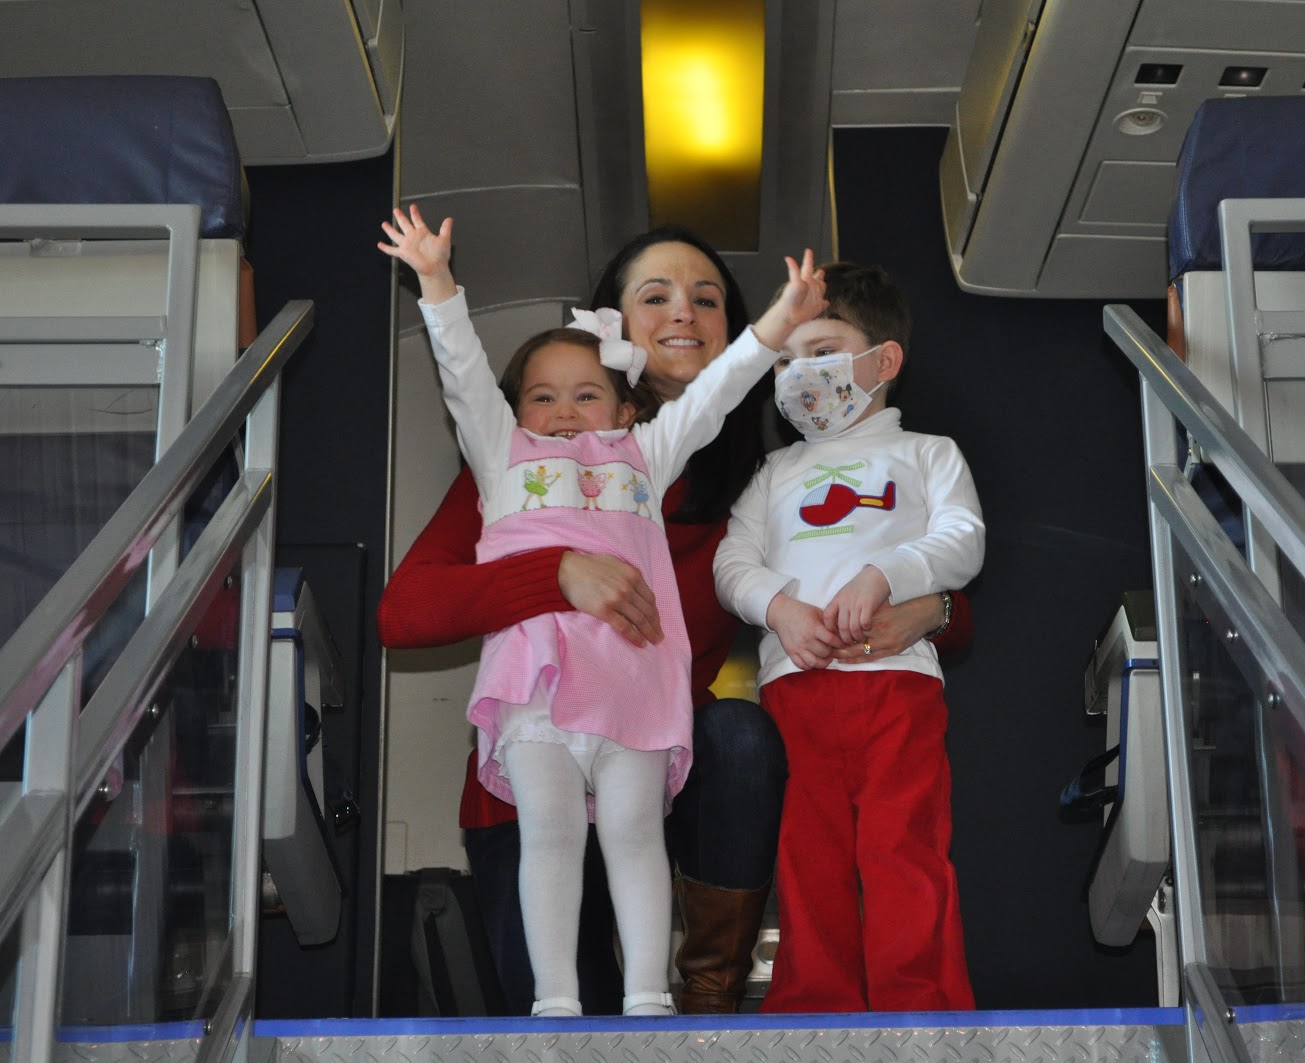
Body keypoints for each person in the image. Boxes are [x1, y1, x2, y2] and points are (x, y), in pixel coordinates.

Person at [376, 223, 973, 1016]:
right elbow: (403, 612)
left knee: (739, 735)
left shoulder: (769, 470)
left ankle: (710, 985)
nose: (684, 312)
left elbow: (916, 592)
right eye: (655, 296)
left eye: (707, 298)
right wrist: (556, 573)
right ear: (613, 325)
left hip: (657, 758)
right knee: (568, 1015)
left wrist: (934, 608)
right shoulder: (529, 465)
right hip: (536, 779)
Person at [713, 262, 983, 1013]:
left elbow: (963, 539)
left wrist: (884, 576)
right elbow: (732, 564)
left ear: (883, 361)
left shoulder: (929, 453)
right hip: (794, 686)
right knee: (807, 852)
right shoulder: (773, 471)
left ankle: (921, 1007)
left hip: (898, 682)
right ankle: (813, 1006)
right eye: (785, 360)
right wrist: (780, 610)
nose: (800, 373)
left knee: (904, 844)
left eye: (822, 350)